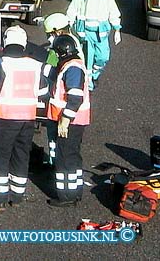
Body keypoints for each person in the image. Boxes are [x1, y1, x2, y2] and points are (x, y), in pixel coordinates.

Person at [0, 25, 49, 211]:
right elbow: (44, 92)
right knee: (21, 155)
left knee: (1, 158)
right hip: (28, 119)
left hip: (5, 118)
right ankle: (17, 195)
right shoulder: (34, 64)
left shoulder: (3, 63)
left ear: (6, 42)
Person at [46, 35, 91, 208]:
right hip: (75, 121)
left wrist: (65, 119)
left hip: (69, 122)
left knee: (65, 158)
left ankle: (66, 196)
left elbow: (75, 97)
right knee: (72, 157)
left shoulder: (72, 69)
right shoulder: (73, 65)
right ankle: (74, 192)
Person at [66, 0, 122, 89]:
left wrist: (117, 30)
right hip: (85, 34)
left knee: (103, 57)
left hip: (101, 34)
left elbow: (114, 13)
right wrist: (68, 27)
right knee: (87, 59)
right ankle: (88, 83)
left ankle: (95, 75)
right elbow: (71, 11)